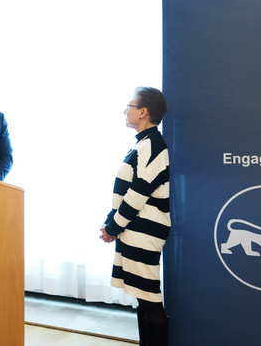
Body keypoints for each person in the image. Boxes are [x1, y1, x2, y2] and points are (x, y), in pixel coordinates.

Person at [99, 87, 170, 346]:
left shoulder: (154, 145)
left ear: (143, 112)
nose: (125, 110)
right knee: (143, 300)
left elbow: (138, 193)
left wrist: (113, 226)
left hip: (145, 231)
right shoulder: (142, 144)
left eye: (129, 106)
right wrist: (112, 223)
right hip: (134, 229)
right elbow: (125, 191)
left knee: (150, 301)